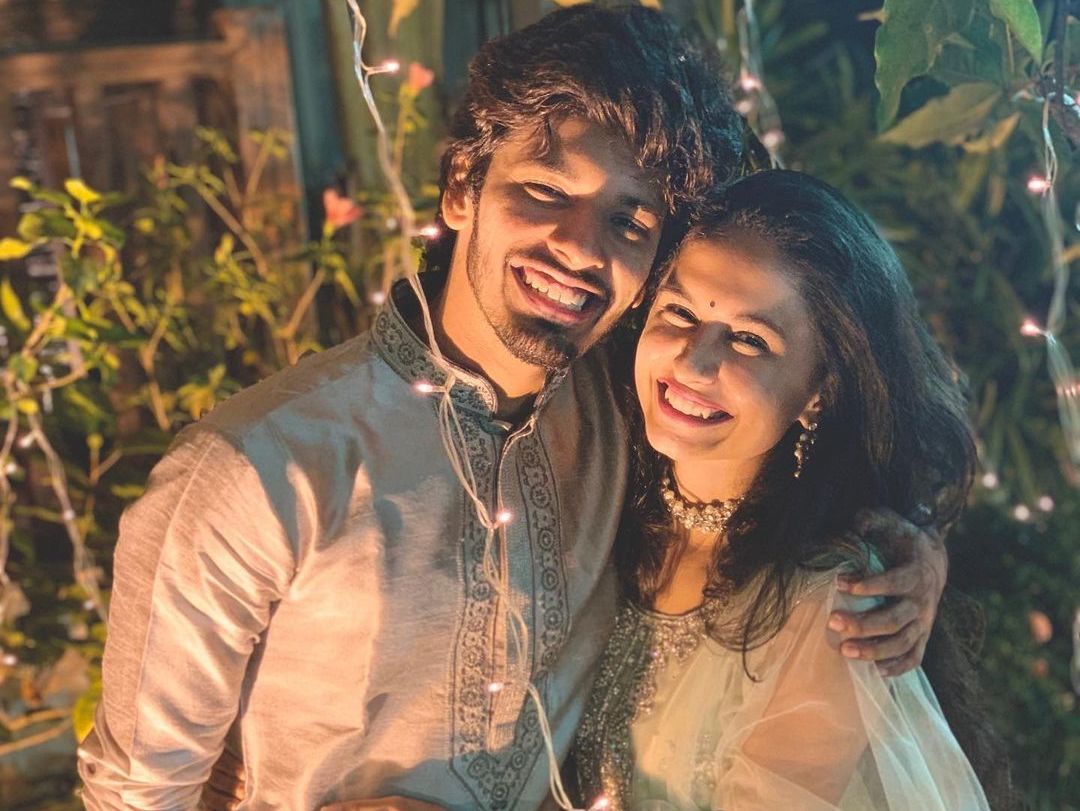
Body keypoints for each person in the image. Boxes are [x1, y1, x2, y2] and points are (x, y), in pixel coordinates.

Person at [77, 8, 949, 811]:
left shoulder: (623, 414)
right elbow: (131, 799)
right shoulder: (255, 471)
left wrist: (910, 541)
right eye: (542, 191)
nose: (578, 247)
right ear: (462, 186)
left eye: (629, 219)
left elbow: (777, 446)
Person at [573, 170, 1009, 810]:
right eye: (680, 312)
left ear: (819, 390)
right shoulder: (599, 498)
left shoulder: (835, 605)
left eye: (750, 340)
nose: (694, 363)